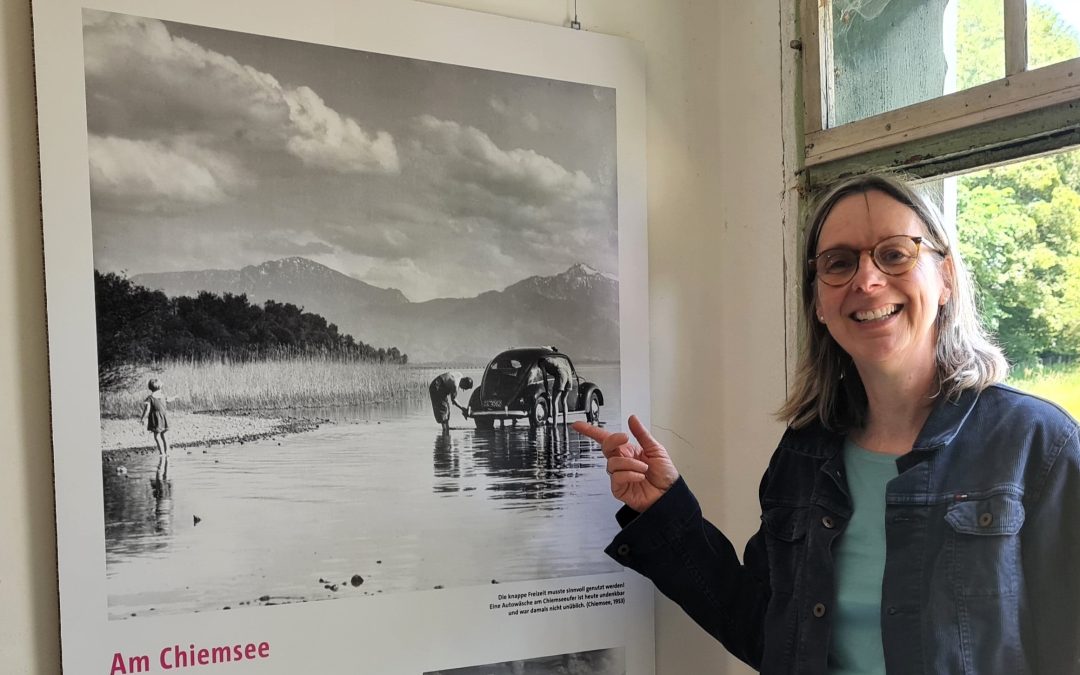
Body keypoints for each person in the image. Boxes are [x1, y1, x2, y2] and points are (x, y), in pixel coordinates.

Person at [574, 173, 1080, 674]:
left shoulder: (1038, 443)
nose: (867, 280)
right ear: (818, 303)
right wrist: (665, 510)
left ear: (945, 278)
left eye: (895, 253)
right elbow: (767, 632)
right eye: (839, 263)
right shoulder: (804, 451)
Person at [140, 378, 171, 455]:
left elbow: (147, 409)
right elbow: (169, 400)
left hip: (156, 419)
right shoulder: (163, 396)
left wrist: (143, 418)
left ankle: (162, 453)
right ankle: (167, 451)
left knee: (157, 436)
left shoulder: (150, 398)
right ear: (159, 387)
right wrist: (175, 397)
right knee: (164, 435)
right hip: (164, 417)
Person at [539, 355, 573, 425]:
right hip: (569, 375)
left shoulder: (542, 363)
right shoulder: (554, 359)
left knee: (554, 401)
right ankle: (565, 422)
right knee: (564, 401)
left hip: (561, 374)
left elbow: (545, 378)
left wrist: (546, 390)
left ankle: (554, 424)